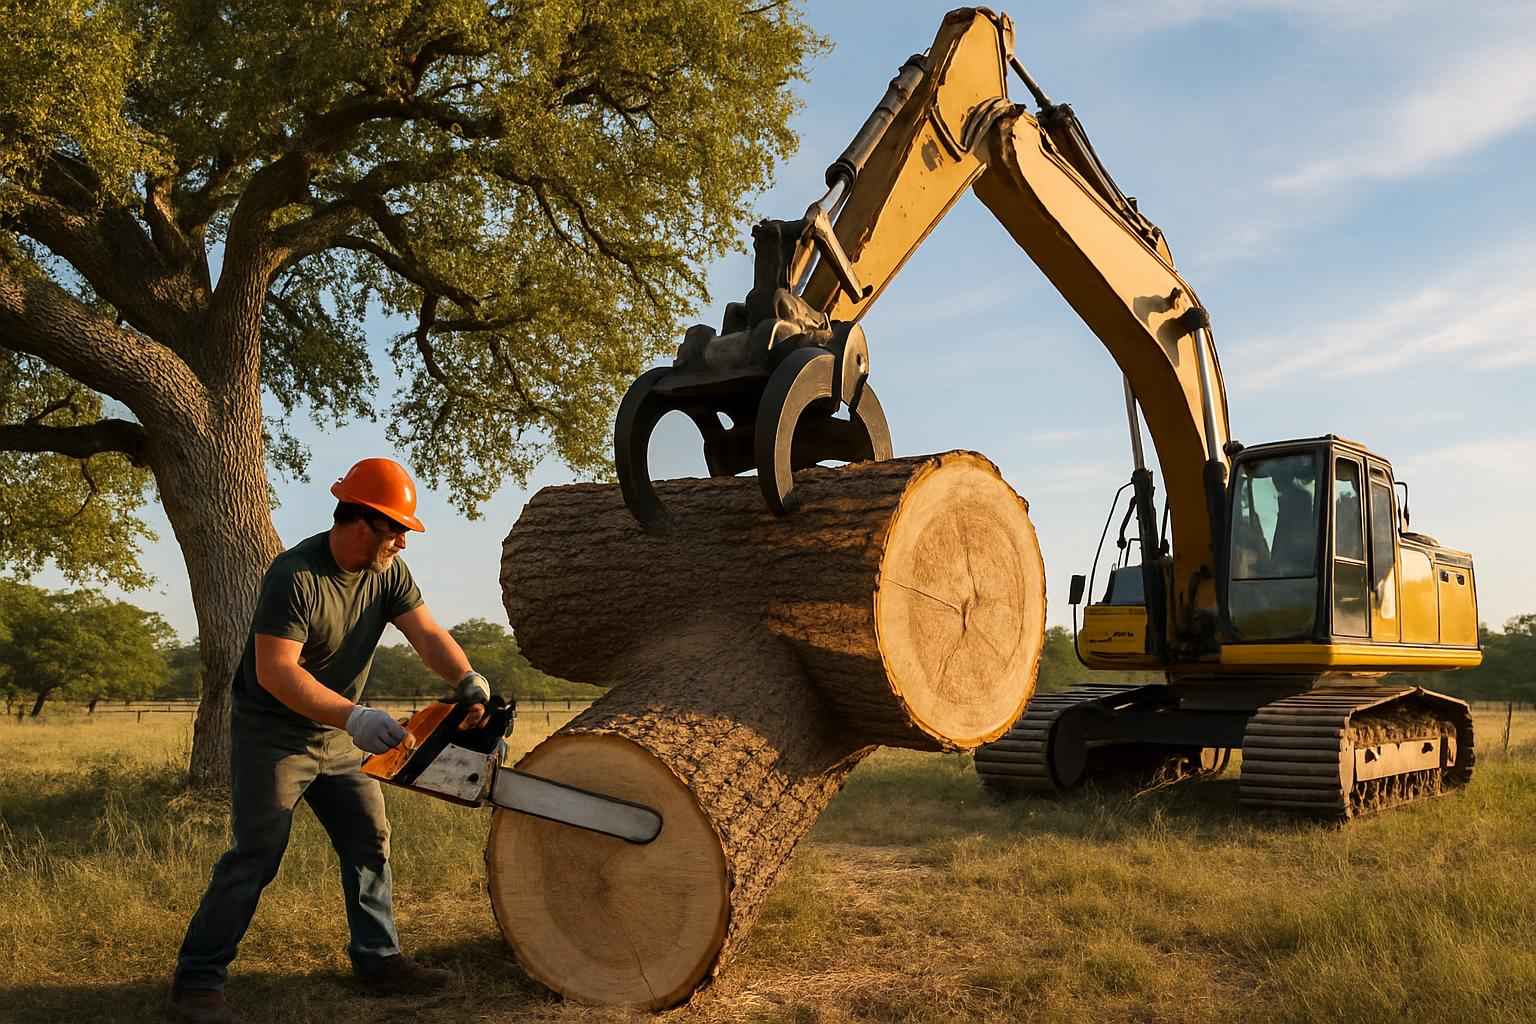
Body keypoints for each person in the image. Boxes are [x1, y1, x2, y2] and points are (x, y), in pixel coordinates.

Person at [167, 458, 492, 1024]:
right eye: (395, 530)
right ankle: (197, 986)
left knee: (369, 840)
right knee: (256, 855)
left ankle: (378, 960)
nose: (401, 543)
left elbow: (429, 633)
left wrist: (465, 678)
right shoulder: (295, 576)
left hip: (338, 738)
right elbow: (277, 672)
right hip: (274, 736)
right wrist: (355, 717)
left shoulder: (387, 574)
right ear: (361, 521)